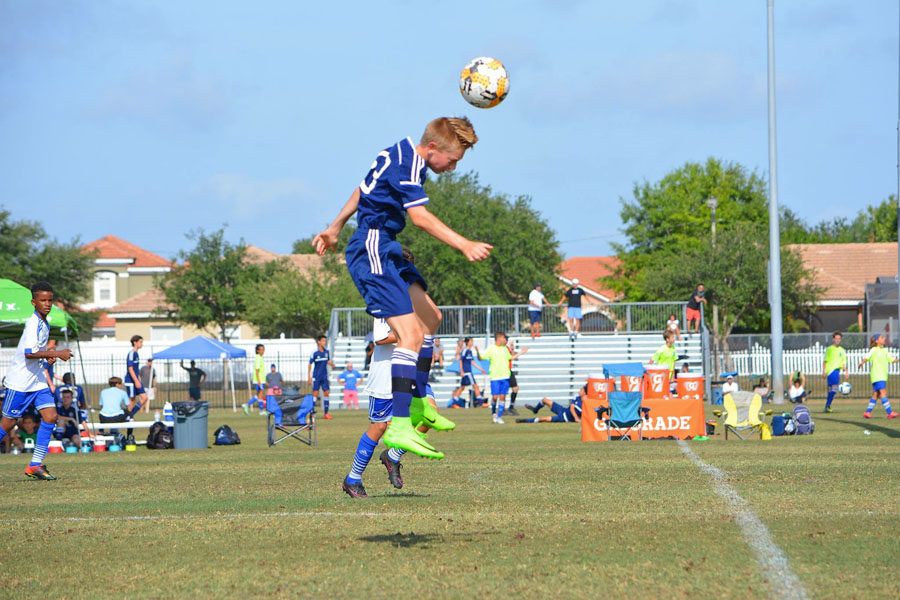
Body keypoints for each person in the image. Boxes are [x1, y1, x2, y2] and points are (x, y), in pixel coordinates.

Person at [313, 116, 491, 459]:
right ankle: (399, 424)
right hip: (373, 247)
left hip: (386, 246)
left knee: (431, 319)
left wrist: (334, 227)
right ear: (434, 147)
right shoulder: (410, 163)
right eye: (452, 160)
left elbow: (361, 190)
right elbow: (420, 218)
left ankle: (420, 404)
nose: (453, 168)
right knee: (409, 337)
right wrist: (465, 244)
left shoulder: (399, 153)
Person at [342, 318, 454, 498]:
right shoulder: (384, 305)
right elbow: (380, 338)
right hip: (385, 377)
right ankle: (353, 479)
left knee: (429, 415)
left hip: (412, 374)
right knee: (379, 427)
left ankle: (393, 456)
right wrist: (411, 335)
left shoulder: (418, 304)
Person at [0, 282, 73, 480]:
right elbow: (29, 353)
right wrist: (57, 353)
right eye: (43, 300)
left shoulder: (44, 323)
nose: (47, 303)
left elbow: (36, 353)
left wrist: (48, 356)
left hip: (37, 379)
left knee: (50, 417)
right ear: (34, 302)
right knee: (7, 424)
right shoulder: (33, 323)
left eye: (50, 300)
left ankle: (35, 465)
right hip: (20, 381)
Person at [481, 332, 529, 424]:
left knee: (511, 391)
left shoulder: (505, 349)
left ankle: (509, 408)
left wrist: (517, 351)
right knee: (495, 397)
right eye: (504, 339)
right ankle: (495, 413)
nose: (505, 340)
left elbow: (511, 357)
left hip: (507, 373)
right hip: (499, 374)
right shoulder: (496, 348)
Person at [858, 333, 899, 419]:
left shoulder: (885, 350)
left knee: (876, 394)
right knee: (883, 393)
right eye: (881, 338)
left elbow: (891, 359)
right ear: (877, 341)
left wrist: (897, 360)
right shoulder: (874, 350)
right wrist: (862, 363)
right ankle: (890, 412)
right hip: (877, 375)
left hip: (883, 375)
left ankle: (867, 412)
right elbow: (867, 357)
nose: (883, 338)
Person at [450, 337, 487, 407]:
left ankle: (454, 403)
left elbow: (472, 361)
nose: (472, 343)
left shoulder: (469, 351)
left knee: (462, 388)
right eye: (471, 341)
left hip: (468, 372)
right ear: (468, 342)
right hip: (467, 372)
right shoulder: (465, 351)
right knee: (475, 386)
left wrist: (480, 369)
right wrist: (462, 371)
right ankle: (481, 403)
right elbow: (461, 361)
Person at [520, 385, 586, 423]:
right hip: (563, 410)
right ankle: (535, 410)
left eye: (581, 390)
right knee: (544, 400)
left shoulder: (586, 403)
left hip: (564, 417)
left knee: (544, 419)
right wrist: (576, 418)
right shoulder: (577, 397)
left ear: (585, 393)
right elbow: (572, 408)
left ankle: (526, 420)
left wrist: (577, 419)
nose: (579, 391)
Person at [308, 335, 336, 419]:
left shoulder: (326, 352)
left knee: (327, 393)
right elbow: (310, 364)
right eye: (323, 341)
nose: (325, 342)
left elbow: (326, 360)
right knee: (315, 394)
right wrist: (309, 377)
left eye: (325, 341)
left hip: (324, 376)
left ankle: (326, 413)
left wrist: (331, 364)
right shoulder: (314, 353)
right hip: (316, 377)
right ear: (319, 342)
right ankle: (312, 413)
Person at [822, 331, 848, 413]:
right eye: (836, 338)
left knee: (833, 390)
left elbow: (843, 362)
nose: (837, 340)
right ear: (833, 339)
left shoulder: (842, 350)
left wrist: (846, 371)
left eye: (839, 339)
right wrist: (824, 371)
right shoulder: (829, 349)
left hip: (837, 371)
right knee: (834, 388)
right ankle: (827, 405)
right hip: (831, 371)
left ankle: (827, 405)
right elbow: (825, 361)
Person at [124, 335, 147, 417]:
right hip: (131, 381)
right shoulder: (131, 353)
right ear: (135, 342)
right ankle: (129, 416)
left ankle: (130, 415)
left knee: (144, 397)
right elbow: (130, 369)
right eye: (140, 342)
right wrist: (136, 381)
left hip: (136, 380)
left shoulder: (136, 354)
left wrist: (138, 379)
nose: (142, 344)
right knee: (132, 400)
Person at [243, 344, 267, 415]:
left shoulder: (260, 357)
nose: (263, 351)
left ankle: (247, 405)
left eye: (263, 349)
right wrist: (259, 380)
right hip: (258, 380)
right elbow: (257, 370)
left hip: (261, 379)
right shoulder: (258, 358)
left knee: (259, 395)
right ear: (257, 350)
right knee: (260, 394)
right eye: (261, 350)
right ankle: (261, 411)